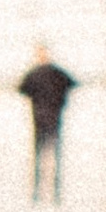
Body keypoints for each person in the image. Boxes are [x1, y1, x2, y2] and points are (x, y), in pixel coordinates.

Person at [19, 46, 76, 203]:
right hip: (50, 119)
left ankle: (42, 193)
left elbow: (22, 88)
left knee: (43, 156)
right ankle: (50, 193)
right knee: (49, 156)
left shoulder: (38, 73)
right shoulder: (55, 73)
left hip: (42, 118)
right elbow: (72, 83)